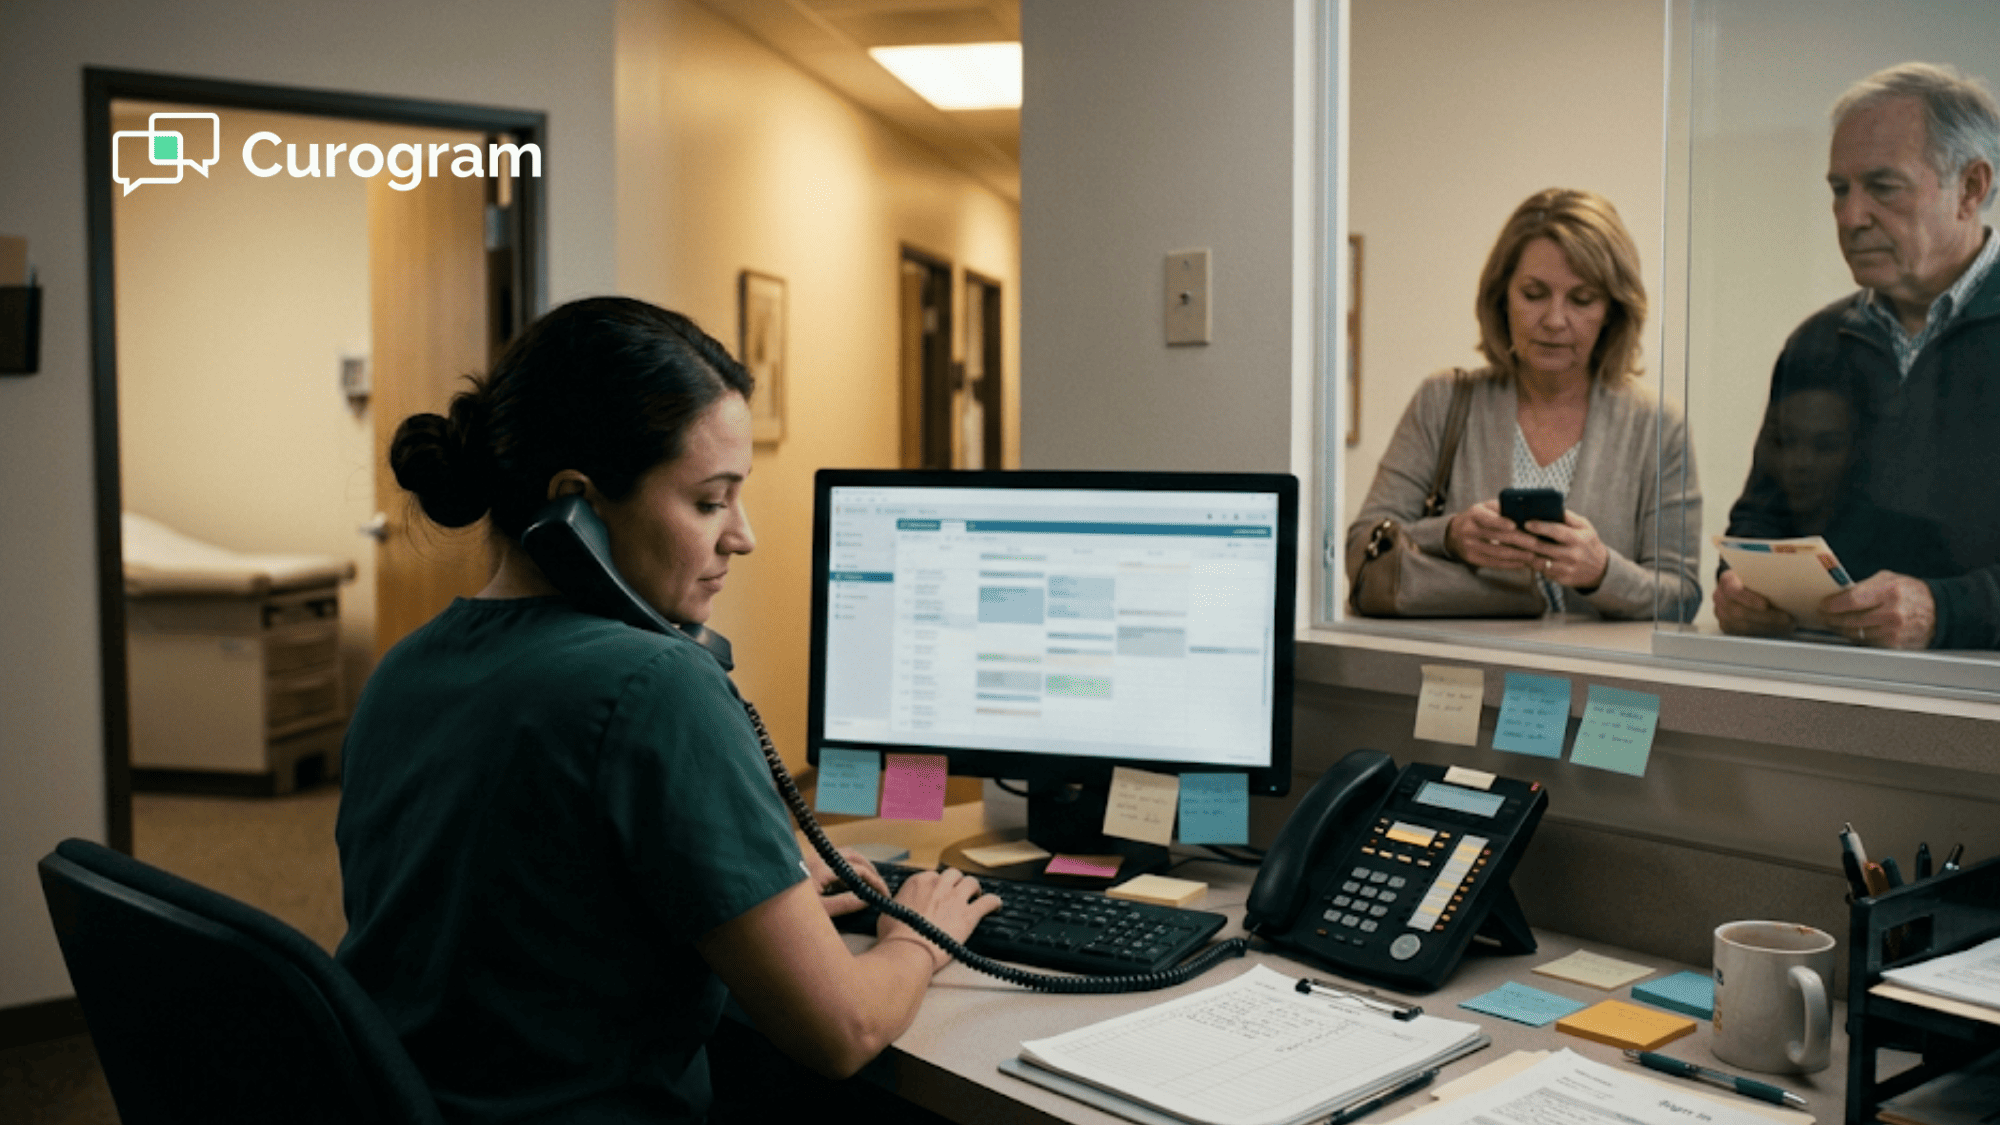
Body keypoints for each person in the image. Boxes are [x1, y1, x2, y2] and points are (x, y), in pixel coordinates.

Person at [334, 297, 1001, 1123]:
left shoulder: (406, 666)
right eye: (709, 501)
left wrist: (769, 877)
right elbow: (844, 1028)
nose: (742, 536)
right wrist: (918, 934)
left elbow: (534, 901)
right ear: (577, 505)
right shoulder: (655, 683)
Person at [1717, 61, 2000, 650]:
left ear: (1971, 188)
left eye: (1883, 186)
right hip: (1829, 693)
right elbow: (1760, 519)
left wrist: (1942, 611)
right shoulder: (1816, 344)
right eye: (1840, 190)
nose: (1850, 217)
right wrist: (1738, 584)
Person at [1347, 187, 1702, 621]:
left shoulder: (1656, 426)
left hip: (1604, 684)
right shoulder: (1443, 401)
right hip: (1457, 675)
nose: (1554, 320)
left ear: (1612, 309)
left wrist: (1601, 571)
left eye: (1582, 299)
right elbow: (1362, 546)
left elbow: (1682, 597)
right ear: (1502, 297)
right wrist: (1451, 535)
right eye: (1534, 294)